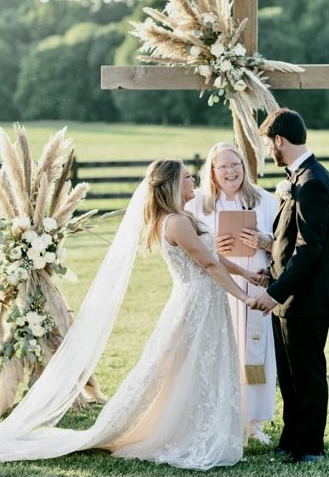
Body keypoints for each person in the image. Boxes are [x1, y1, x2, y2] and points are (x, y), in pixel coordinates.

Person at [0, 158, 263, 471]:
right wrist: (245, 297)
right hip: (196, 304)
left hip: (207, 302)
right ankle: (181, 430)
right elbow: (207, 265)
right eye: (187, 177)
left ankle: (200, 425)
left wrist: (247, 277)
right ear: (173, 185)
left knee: (196, 366)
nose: (193, 180)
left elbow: (212, 256)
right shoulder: (176, 222)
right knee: (182, 368)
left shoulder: (181, 217)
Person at [254, 108, 329, 463]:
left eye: (268, 145)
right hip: (288, 297)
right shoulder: (298, 177)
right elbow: (286, 241)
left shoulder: (313, 182)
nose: (268, 152)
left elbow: (309, 249)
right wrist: (270, 275)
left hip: (307, 300)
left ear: (279, 140)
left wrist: (273, 292)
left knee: (307, 375)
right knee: (289, 376)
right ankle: (291, 439)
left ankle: (310, 447)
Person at [186, 142, 278, 444]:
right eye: (223, 166)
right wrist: (215, 249)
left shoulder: (265, 200)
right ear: (211, 171)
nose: (231, 171)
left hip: (256, 288)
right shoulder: (198, 204)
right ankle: (221, 419)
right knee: (223, 354)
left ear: (244, 167)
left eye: (235, 164)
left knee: (255, 355)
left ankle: (254, 423)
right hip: (219, 290)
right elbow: (189, 248)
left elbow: (284, 241)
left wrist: (264, 241)